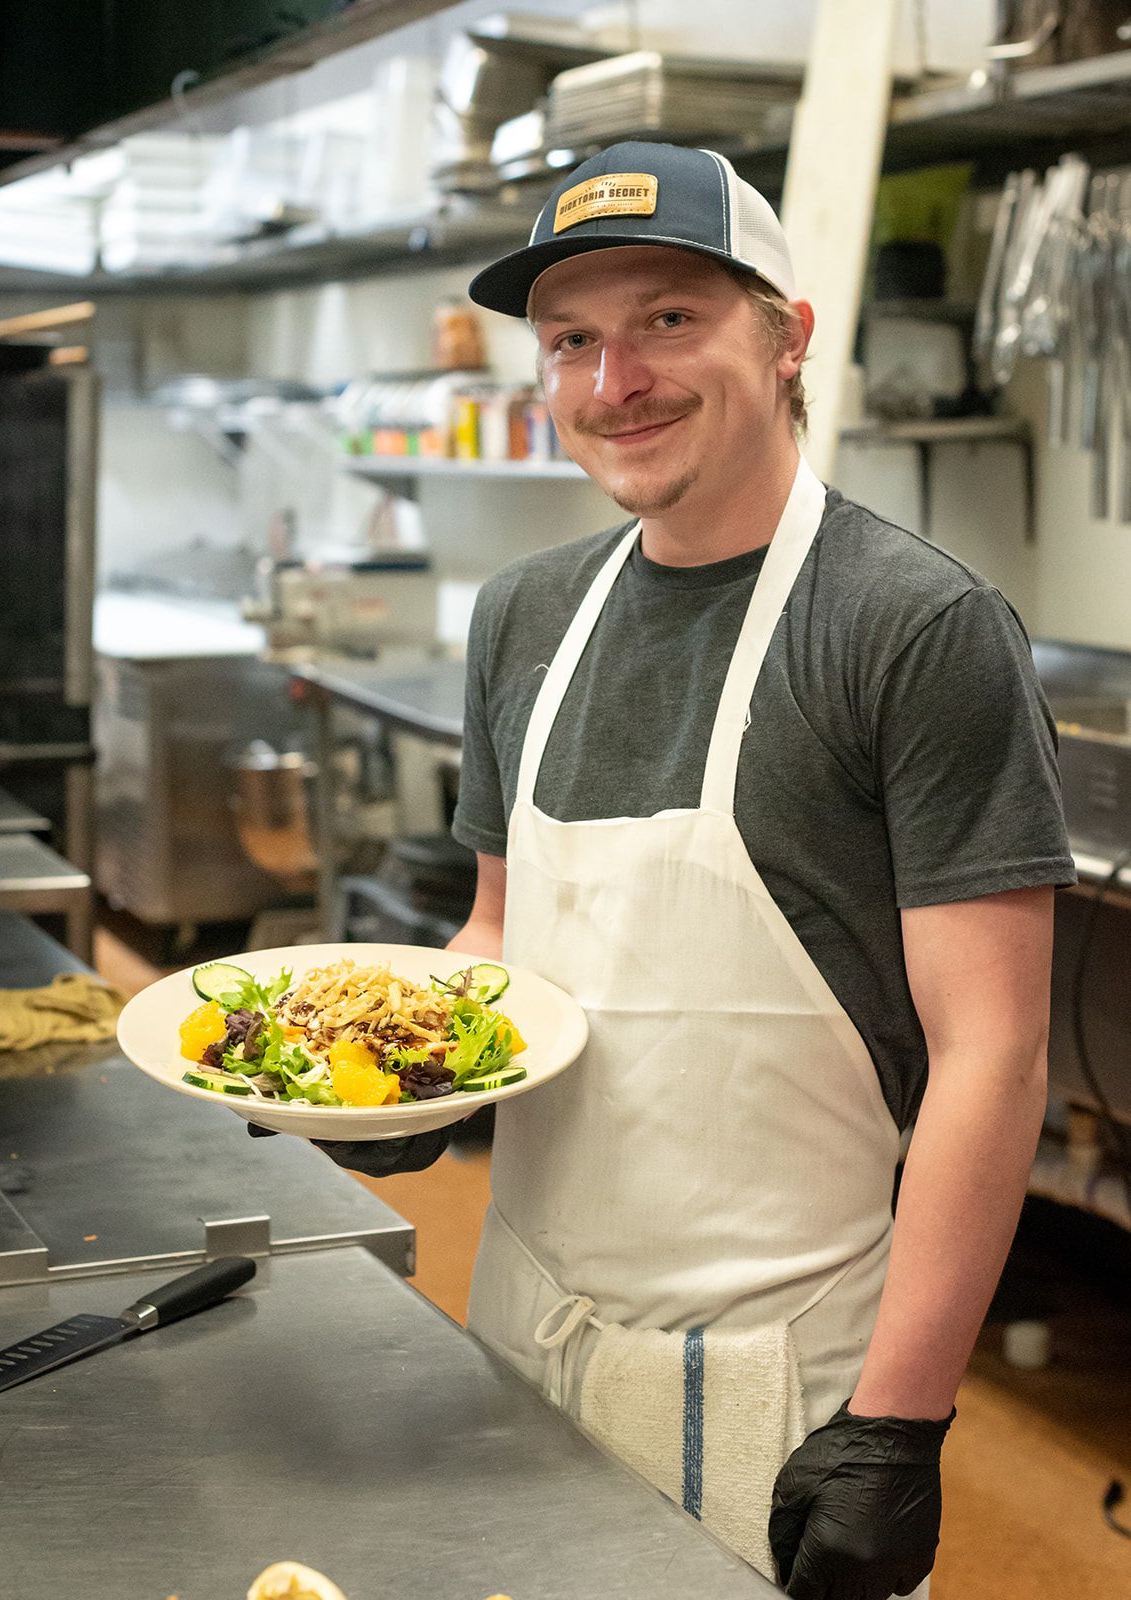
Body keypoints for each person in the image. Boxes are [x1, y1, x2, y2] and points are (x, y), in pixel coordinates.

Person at [298, 144, 1076, 1598]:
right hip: (524, 1322)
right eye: (572, 341)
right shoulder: (523, 617)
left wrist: (898, 1421)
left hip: (789, 1374)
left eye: (668, 320)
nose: (615, 383)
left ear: (788, 334)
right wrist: (413, 1077)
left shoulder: (912, 627)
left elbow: (996, 1053)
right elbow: (496, 933)